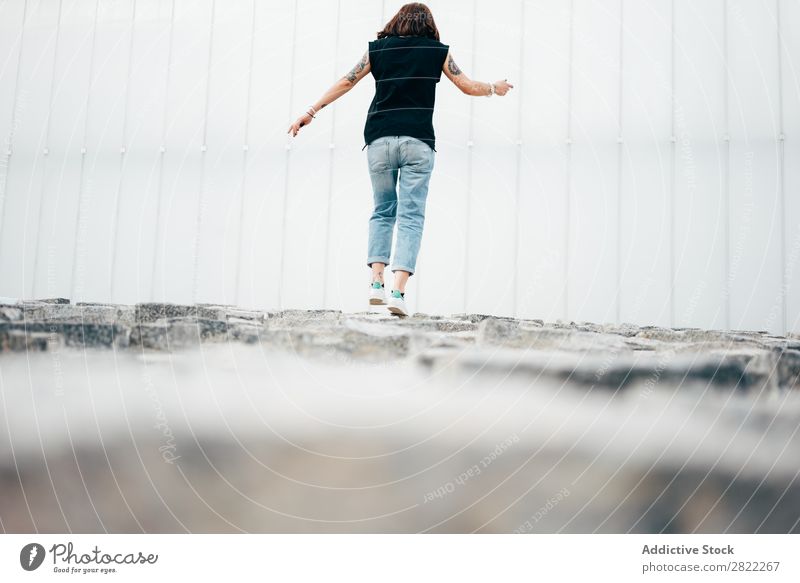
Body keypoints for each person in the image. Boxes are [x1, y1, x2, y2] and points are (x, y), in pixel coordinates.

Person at [288, 2, 513, 316]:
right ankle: (398, 293)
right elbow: (465, 85)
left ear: (397, 22)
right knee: (411, 216)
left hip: (379, 139)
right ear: (429, 25)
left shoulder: (377, 50)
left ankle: (375, 284)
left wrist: (310, 112)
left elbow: (346, 81)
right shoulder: (438, 52)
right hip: (418, 141)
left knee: (382, 211)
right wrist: (493, 88)